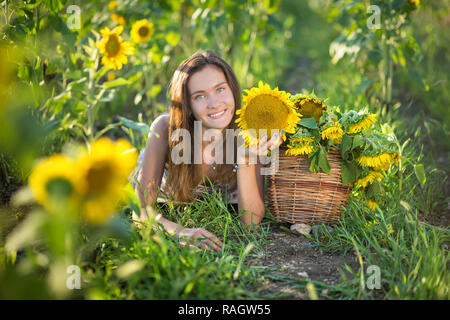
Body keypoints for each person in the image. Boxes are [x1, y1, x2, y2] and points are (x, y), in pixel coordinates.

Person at [131, 50, 282, 252]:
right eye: (200, 96)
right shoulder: (165, 129)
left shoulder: (247, 130)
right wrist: (180, 231)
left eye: (220, 89)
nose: (214, 104)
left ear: (232, 89)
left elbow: (251, 223)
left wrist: (245, 157)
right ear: (188, 105)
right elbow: (140, 212)